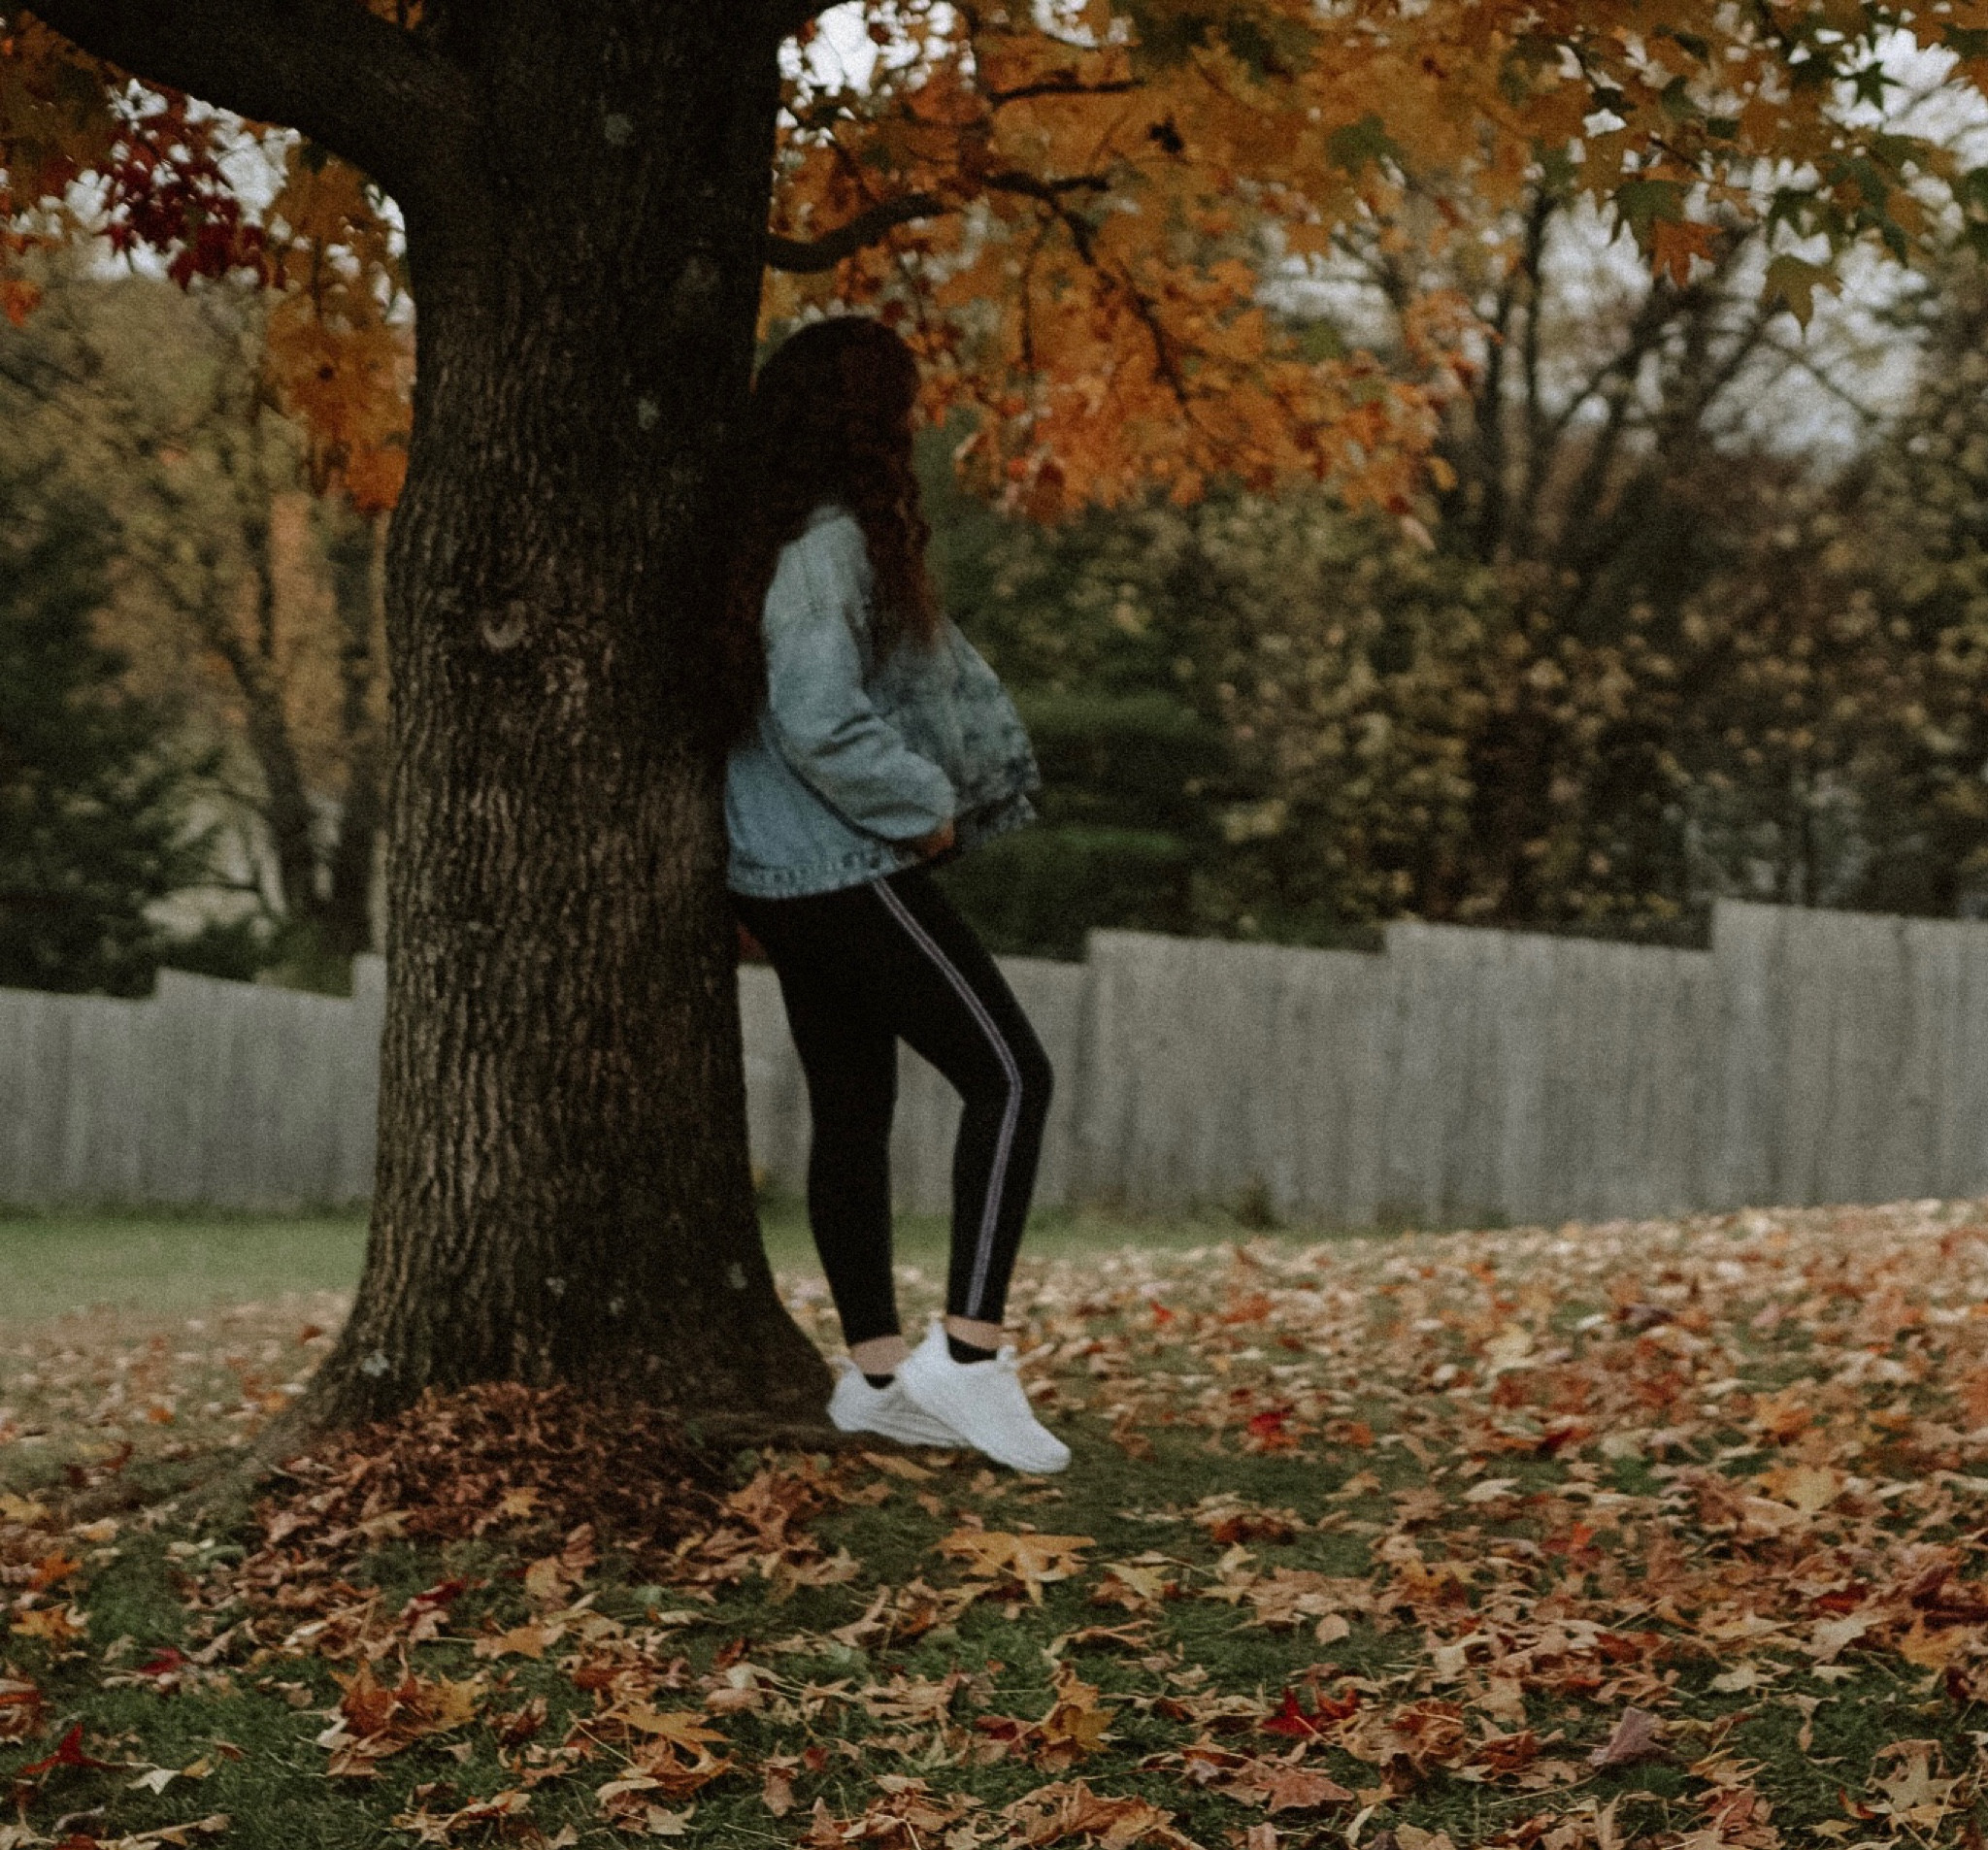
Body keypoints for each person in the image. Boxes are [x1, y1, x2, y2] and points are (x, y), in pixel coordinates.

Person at [721, 315, 1067, 1474]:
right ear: (867, 424)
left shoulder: (775, 539)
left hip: (783, 875)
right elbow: (815, 715)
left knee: (853, 1111)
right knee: (1013, 1074)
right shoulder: (828, 550)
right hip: (841, 864)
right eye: (903, 409)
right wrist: (923, 803)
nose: (915, 429)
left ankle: (873, 1382)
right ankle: (966, 1360)